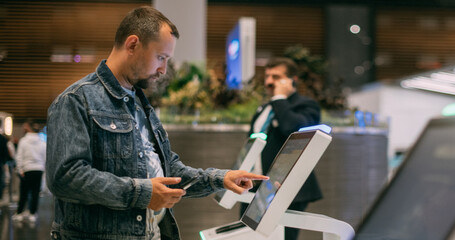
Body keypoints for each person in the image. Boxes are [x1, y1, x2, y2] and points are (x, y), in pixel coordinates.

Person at [45, 6, 267, 240]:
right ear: (132, 44)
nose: (163, 69)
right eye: (160, 57)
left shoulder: (141, 104)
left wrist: (221, 178)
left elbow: (170, 171)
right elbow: (65, 177)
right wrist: (142, 193)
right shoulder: (76, 100)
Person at [241, 57, 322, 240]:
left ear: (292, 79)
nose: (269, 82)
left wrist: (279, 98)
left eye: (276, 77)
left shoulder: (306, 105)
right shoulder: (264, 108)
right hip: (256, 187)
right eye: (267, 76)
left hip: (286, 188)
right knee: (248, 235)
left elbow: (292, 130)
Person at [12, 119, 46, 222]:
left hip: (27, 169)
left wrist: (20, 169)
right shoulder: (42, 142)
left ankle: (20, 213)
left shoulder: (23, 141)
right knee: (35, 192)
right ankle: (32, 213)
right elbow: (45, 158)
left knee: (24, 192)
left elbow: (19, 157)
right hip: (39, 169)